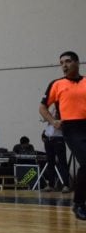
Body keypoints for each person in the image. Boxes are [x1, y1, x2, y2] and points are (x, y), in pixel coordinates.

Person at [41, 51, 86, 220]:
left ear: (77, 63)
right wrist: (53, 121)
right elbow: (43, 107)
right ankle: (79, 203)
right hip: (72, 128)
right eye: (61, 63)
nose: (64, 65)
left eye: (68, 61)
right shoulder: (57, 84)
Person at [41, 109, 71, 193]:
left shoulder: (63, 110)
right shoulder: (52, 110)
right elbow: (43, 117)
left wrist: (54, 118)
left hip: (58, 138)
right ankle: (51, 185)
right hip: (49, 138)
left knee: (62, 162)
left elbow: (64, 124)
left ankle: (66, 185)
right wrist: (48, 117)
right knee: (50, 162)